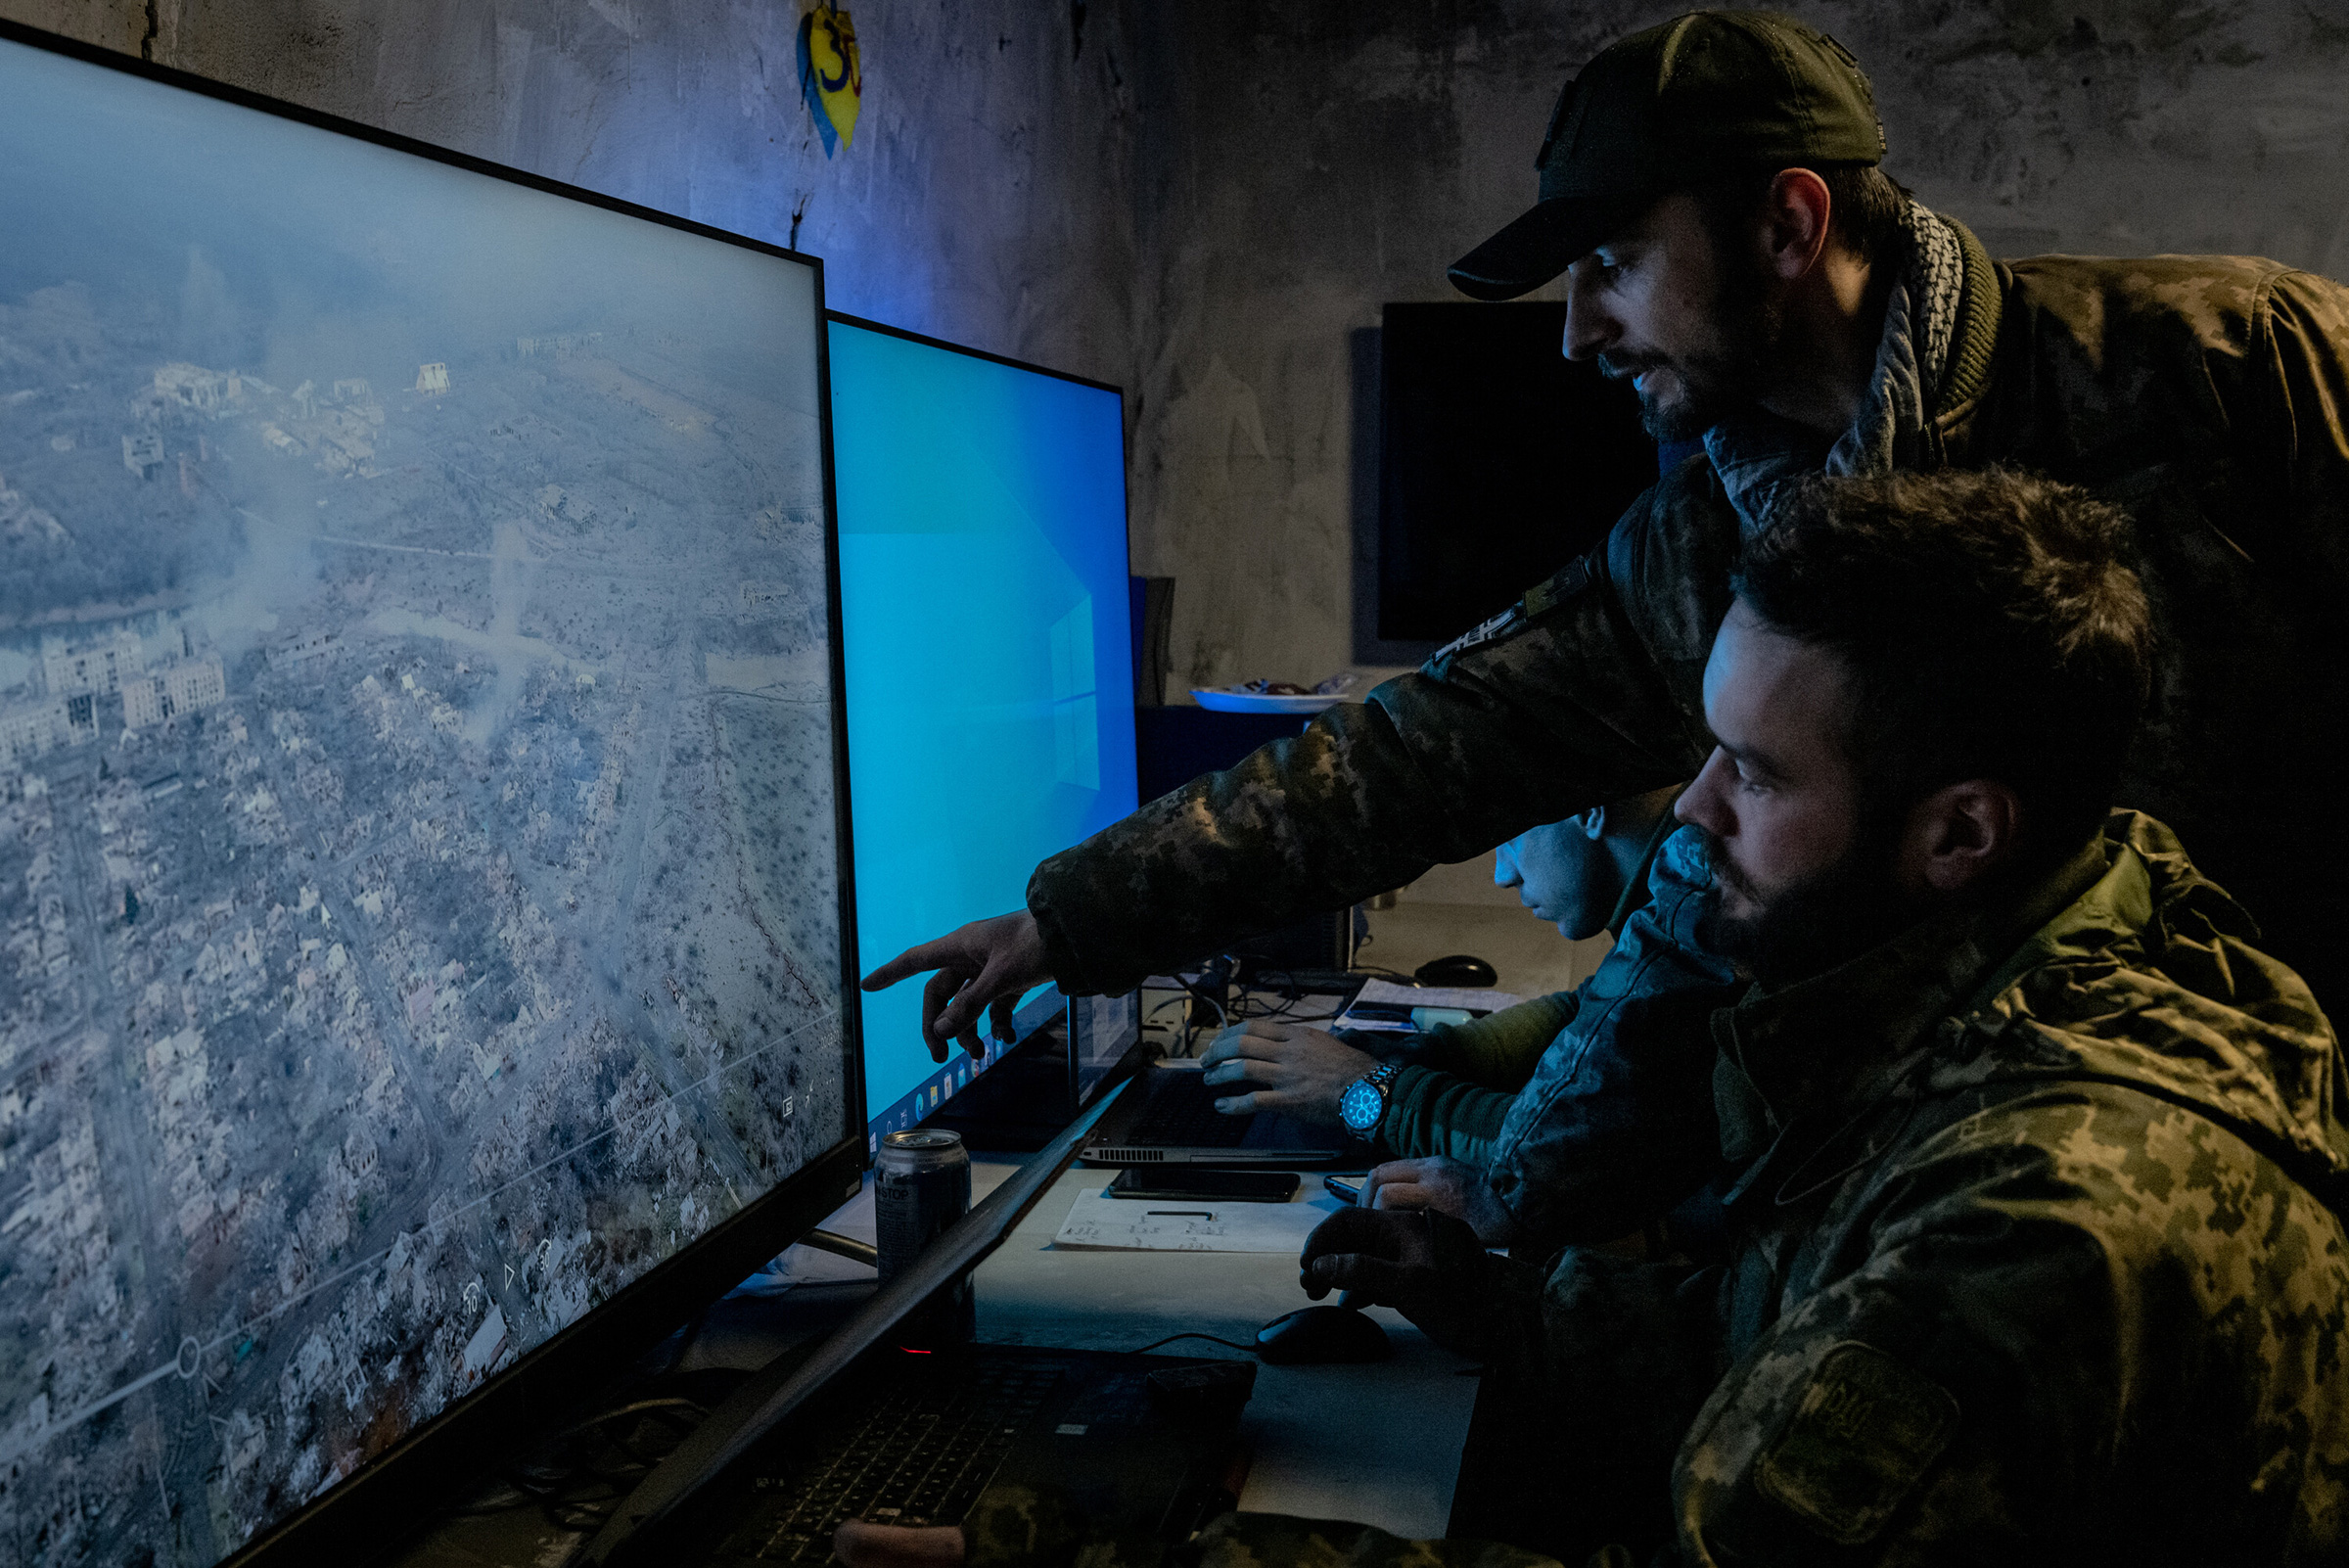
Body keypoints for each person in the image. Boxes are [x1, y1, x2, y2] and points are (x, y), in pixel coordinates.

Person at [843, 468, 2349, 1568]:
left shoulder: (2047, 1205)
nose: (1688, 812)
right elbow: (1794, 1343)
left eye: (1752, 774)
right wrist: (1506, 1310)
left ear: (1958, 832)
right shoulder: (2067, 939)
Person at [862, 9, 2349, 1078]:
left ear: (1787, 224)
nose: (1577, 334)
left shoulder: (2235, 363)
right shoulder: (1713, 543)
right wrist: (1073, 914)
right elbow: (1429, 744)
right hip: (1999, 1184)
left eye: (1615, 265)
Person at [1197, 784, 1735, 1247]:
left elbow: (1543, 1158)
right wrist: (1412, 1058)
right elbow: (1586, 1015)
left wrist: (1360, 1094)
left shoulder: (1707, 910)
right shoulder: (1668, 892)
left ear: (1588, 809)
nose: (1502, 873)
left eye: (1510, 836)